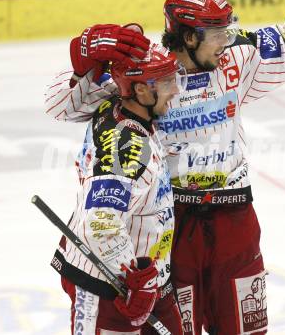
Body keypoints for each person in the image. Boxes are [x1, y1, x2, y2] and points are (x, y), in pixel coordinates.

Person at [44, 0, 285, 333]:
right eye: (218, 33)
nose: (228, 40)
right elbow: (61, 107)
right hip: (175, 227)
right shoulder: (148, 72)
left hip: (234, 220)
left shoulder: (236, 56)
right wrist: (82, 67)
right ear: (189, 37)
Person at [49, 36, 188, 334]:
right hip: (109, 286)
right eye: (165, 83)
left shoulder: (117, 104)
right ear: (140, 89)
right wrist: (135, 279)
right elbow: (101, 222)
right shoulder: (127, 150)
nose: (175, 90)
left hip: (146, 281)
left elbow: (60, 103)